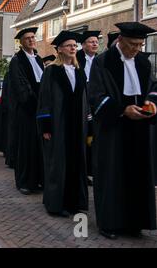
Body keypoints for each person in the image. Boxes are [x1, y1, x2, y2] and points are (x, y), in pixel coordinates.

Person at [88, 22, 157, 239]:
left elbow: (153, 87)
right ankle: (110, 223)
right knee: (112, 174)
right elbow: (96, 96)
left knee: (137, 172)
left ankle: (135, 222)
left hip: (139, 127)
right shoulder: (103, 62)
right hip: (114, 128)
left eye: (139, 45)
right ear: (120, 41)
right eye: (132, 44)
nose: (136, 49)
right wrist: (122, 110)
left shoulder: (144, 63)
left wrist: (152, 103)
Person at [37, 30, 89, 218]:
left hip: (77, 125)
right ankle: (57, 204)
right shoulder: (52, 71)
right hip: (59, 124)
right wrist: (46, 127)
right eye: (69, 45)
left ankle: (75, 202)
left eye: (75, 46)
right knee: (58, 163)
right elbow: (44, 100)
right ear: (59, 49)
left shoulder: (79, 71)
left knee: (77, 162)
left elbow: (85, 99)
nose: (73, 48)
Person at [9, 27, 44, 195]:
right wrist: (33, 102)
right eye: (27, 38)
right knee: (25, 146)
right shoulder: (17, 60)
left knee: (37, 146)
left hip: (39, 108)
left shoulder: (38, 59)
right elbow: (20, 85)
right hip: (26, 109)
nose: (31, 40)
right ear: (21, 42)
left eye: (33, 37)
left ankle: (36, 180)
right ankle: (24, 181)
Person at [77, 31, 101, 186]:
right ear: (84, 44)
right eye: (91, 42)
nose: (95, 44)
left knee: (96, 139)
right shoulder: (77, 59)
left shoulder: (100, 60)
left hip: (98, 104)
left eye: (96, 42)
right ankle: (82, 173)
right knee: (84, 139)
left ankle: (95, 171)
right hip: (83, 104)